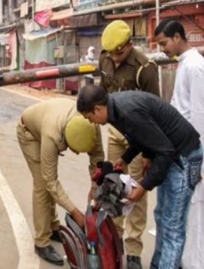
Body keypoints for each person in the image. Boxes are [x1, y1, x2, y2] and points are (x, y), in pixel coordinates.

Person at [77, 85, 202, 269]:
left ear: (97, 109)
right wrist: (125, 158)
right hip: (172, 154)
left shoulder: (127, 112)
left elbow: (165, 152)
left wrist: (143, 187)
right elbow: (141, 136)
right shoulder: (115, 109)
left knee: (172, 227)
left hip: (184, 156)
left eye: (90, 117)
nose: (92, 122)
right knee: (162, 217)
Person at [98, 20, 159, 269]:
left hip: (138, 136)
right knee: (112, 184)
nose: (115, 58)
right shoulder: (105, 59)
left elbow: (154, 112)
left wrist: (148, 152)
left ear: (130, 45)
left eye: (119, 53)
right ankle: (115, 240)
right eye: (111, 53)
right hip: (115, 133)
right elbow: (102, 93)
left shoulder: (145, 68)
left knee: (135, 193)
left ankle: (133, 249)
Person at [18, 98, 104, 266]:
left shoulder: (91, 126)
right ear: (65, 139)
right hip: (29, 133)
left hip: (47, 121)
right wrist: (75, 212)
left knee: (49, 184)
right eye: (75, 150)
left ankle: (53, 226)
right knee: (43, 186)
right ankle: (42, 241)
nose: (78, 155)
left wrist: (95, 187)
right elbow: (51, 182)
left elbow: (98, 157)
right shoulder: (52, 135)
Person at [154, 19, 204, 269]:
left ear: (176, 37)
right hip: (179, 151)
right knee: (177, 213)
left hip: (191, 152)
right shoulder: (184, 64)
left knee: (192, 211)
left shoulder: (195, 66)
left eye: (164, 43)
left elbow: (199, 113)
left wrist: (200, 160)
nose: (162, 48)